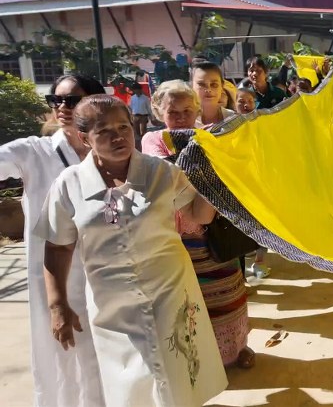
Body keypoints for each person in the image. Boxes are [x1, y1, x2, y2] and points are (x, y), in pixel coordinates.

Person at [35, 94, 228, 406]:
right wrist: (58, 306)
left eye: (123, 127)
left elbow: (198, 215)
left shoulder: (161, 173)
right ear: (84, 138)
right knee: (130, 385)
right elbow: (58, 246)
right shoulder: (69, 185)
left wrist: (215, 182)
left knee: (177, 374)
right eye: (104, 131)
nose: (118, 137)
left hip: (170, 293)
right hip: (112, 305)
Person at [0, 75, 106, 407]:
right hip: (52, 274)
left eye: (72, 100)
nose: (62, 107)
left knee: (103, 353)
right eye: (56, 100)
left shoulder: (110, 152)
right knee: (59, 357)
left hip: (102, 270)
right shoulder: (34, 151)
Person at [143, 80, 257, 370]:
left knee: (228, 292)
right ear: (158, 112)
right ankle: (202, 360)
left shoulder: (211, 134)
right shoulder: (152, 140)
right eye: (173, 112)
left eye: (186, 110)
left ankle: (237, 348)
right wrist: (207, 164)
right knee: (188, 301)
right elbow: (167, 173)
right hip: (175, 235)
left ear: (196, 110)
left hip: (214, 229)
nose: (181, 117)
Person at [191, 60, 236, 127]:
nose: (208, 89)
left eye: (214, 84)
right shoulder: (185, 122)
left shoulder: (233, 119)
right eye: (202, 84)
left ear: (222, 86)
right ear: (192, 86)